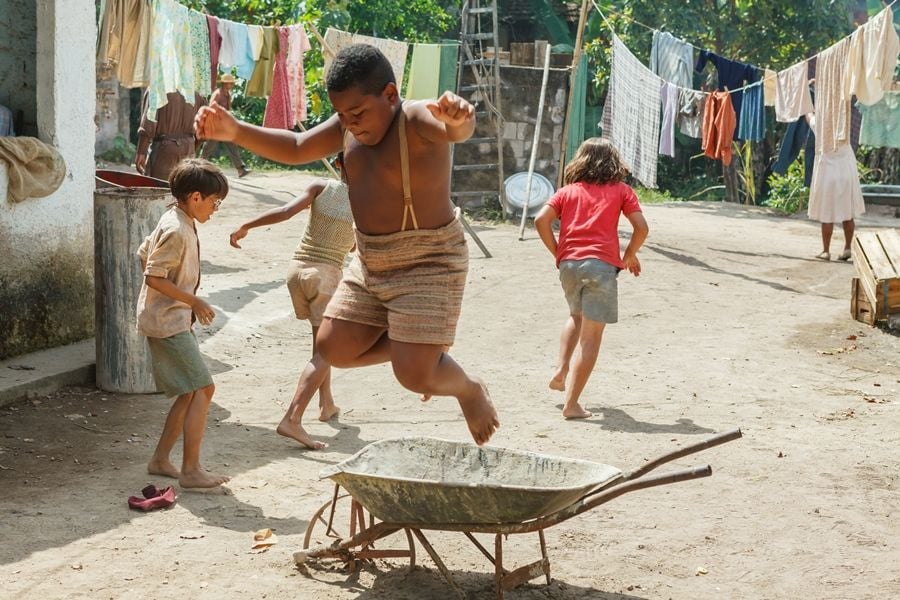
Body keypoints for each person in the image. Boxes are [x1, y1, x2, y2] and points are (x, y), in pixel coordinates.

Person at [195, 43, 500, 445]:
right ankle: (418, 347)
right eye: (342, 115)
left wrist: (463, 118)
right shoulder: (345, 127)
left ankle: (466, 387)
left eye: (358, 114)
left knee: (412, 376)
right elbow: (297, 147)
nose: (351, 125)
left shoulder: (416, 119)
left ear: (390, 95)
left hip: (429, 260)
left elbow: (455, 129)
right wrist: (236, 130)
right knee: (333, 347)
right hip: (372, 259)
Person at [229, 154, 354, 449]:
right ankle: (293, 419)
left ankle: (327, 404)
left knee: (321, 345)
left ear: (338, 165)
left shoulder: (320, 186)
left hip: (297, 271)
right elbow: (357, 246)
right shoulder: (366, 203)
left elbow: (285, 211)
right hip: (326, 276)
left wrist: (247, 224)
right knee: (330, 350)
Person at [534, 138, 649, 419]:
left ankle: (561, 371)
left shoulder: (567, 191)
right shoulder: (622, 190)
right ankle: (571, 405)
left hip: (569, 265)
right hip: (601, 267)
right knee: (592, 338)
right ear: (613, 162)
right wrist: (629, 254)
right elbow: (642, 227)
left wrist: (559, 252)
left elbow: (540, 219)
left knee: (575, 315)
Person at [136, 158, 231, 488]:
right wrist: (193, 300)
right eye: (214, 202)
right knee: (203, 388)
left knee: (190, 392)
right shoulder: (177, 229)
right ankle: (191, 470)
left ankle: (161, 459)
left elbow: (142, 252)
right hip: (167, 322)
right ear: (195, 197)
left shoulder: (177, 218)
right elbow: (153, 275)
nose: (215, 209)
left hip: (171, 318)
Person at [136, 91, 207, 181]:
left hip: (164, 149)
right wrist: (192, 148)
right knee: (183, 190)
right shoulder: (197, 91)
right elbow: (204, 129)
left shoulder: (157, 88)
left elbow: (148, 124)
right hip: (189, 146)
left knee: (157, 189)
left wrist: (141, 152)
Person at [201, 74, 250, 178]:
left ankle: (240, 169)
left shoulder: (228, 94)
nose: (231, 84)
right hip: (216, 125)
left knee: (232, 145)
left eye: (232, 83)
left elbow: (228, 110)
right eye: (230, 83)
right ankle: (199, 165)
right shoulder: (218, 94)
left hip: (224, 126)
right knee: (209, 147)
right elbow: (212, 108)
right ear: (224, 83)